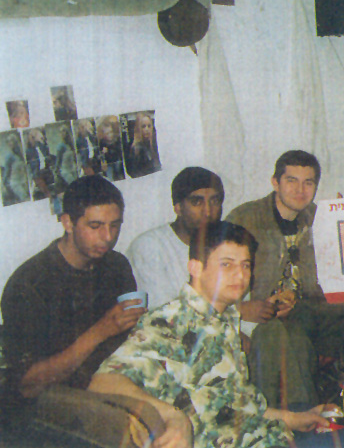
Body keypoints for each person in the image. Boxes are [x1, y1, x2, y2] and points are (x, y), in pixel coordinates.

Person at [89, 221, 344, 448]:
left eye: (245, 265)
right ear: (195, 267)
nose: (241, 275)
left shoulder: (224, 317)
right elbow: (102, 381)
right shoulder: (171, 321)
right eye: (227, 265)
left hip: (265, 433)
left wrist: (295, 418)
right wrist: (172, 415)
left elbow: (235, 403)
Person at [1, 176, 144, 404]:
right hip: (56, 397)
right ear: (68, 223)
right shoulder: (28, 285)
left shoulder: (116, 264)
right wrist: (101, 331)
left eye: (115, 225)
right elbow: (28, 384)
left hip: (117, 375)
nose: (108, 237)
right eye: (95, 226)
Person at [226, 150, 344, 407]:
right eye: (292, 181)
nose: (300, 190)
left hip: (314, 311)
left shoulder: (321, 219)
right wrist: (242, 308)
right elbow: (219, 280)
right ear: (275, 182)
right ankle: (301, 416)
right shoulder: (244, 219)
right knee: (287, 337)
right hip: (264, 316)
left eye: (308, 182)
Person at [126, 167, 225, 309]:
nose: (208, 212)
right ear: (178, 208)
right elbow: (165, 314)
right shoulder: (150, 246)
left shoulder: (226, 245)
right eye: (197, 202)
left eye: (214, 201)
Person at [123, 112, 161, 178]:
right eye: (143, 126)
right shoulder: (135, 148)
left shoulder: (153, 145)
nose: (147, 129)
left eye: (149, 126)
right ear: (138, 128)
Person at [1, 131, 29, 205]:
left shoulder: (21, 155)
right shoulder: (9, 157)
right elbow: (6, 172)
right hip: (15, 183)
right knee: (25, 198)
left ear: (15, 142)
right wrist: (4, 185)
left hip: (24, 181)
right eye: (8, 142)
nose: (10, 143)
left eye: (11, 141)